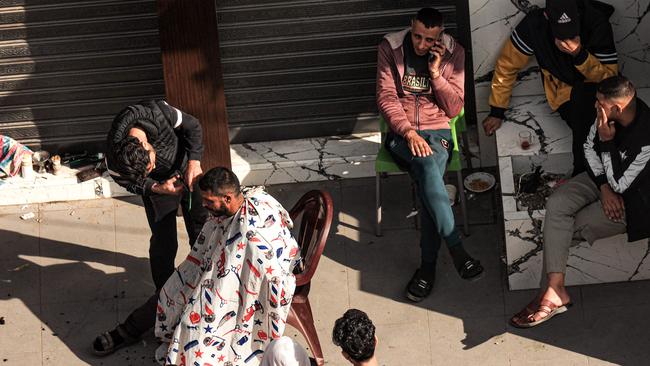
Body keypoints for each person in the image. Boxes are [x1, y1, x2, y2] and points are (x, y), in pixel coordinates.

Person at [511, 76, 650, 328]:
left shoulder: (646, 138)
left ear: (616, 108)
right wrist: (603, 186)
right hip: (604, 181)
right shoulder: (603, 116)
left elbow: (622, 184)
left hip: (634, 201)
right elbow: (588, 148)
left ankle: (548, 295)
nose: (596, 106)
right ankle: (555, 293)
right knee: (557, 204)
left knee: (565, 229)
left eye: (600, 103)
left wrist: (607, 141)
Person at [376, 7, 483, 302]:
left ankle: (428, 268)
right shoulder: (390, 47)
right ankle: (457, 251)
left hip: (437, 134)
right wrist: (408, 132)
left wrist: (435, 73)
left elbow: (453, 109)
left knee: (427, 180)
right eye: (417, 36)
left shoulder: (454, 53)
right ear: (411, 26)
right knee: (427, 169)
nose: (421, 45)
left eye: (428, 40)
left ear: (441, 36)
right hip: (401, 135)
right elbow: (386, 97)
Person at [93, 100, 208, 355]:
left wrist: (194, 162)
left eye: (151, 163)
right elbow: (128, 181)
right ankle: (164, 295)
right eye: (148, 170)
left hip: (187, 169)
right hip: (158, 190)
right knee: (163, 243)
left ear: (146, 144)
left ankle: (205, 281)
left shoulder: (159, 113)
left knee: (201, 232)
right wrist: (154, 186)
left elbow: (194, 127)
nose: (153, 168)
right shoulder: (116, 157)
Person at [155, 167, 300, 365]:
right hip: (222, 271)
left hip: (247, 285)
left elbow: (258, 276)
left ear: (228, 198)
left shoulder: (251, 232)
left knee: (193, 325)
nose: (204, 205)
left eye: (209, 201)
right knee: (171, 292)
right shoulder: (235, 207)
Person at [482, 0, 618, 176]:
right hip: (564, 94)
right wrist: (497, 110)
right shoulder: (535, 25)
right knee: (585, 117)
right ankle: (585, 176)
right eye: (561, 34)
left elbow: (610, 80)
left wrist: (580, 55)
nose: (567, 39)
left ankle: (591, 177)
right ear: (547, 17)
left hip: (600, 90)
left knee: (608, 123)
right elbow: (507, 65)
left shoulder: (596, 22)